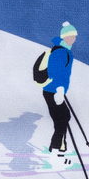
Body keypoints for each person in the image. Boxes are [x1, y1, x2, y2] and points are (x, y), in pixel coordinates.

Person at [34, 21, 78, 160]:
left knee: (63, 117)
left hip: (56, 90)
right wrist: (59, 89)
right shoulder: (60, 52)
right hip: (53, 90)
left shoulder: (65, 51)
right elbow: (55, 72)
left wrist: (62, 90)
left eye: (74, 36)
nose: (73, 39)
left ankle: (59, 146)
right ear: (64, 36)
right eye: (71, 36)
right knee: (62, 118)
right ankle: (56, 147)